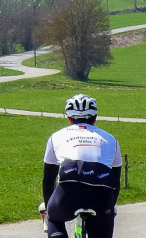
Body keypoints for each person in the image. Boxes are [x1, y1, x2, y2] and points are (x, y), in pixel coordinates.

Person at [40, 94, 122, 238]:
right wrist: (109, 207)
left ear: (68, 118)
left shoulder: (55, 137)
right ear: (95, 118)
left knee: (54, 218)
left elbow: (48, 181)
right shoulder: (111, 139)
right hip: (101, 196)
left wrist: (49, 209)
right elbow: (115, 183)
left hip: (67, 195)